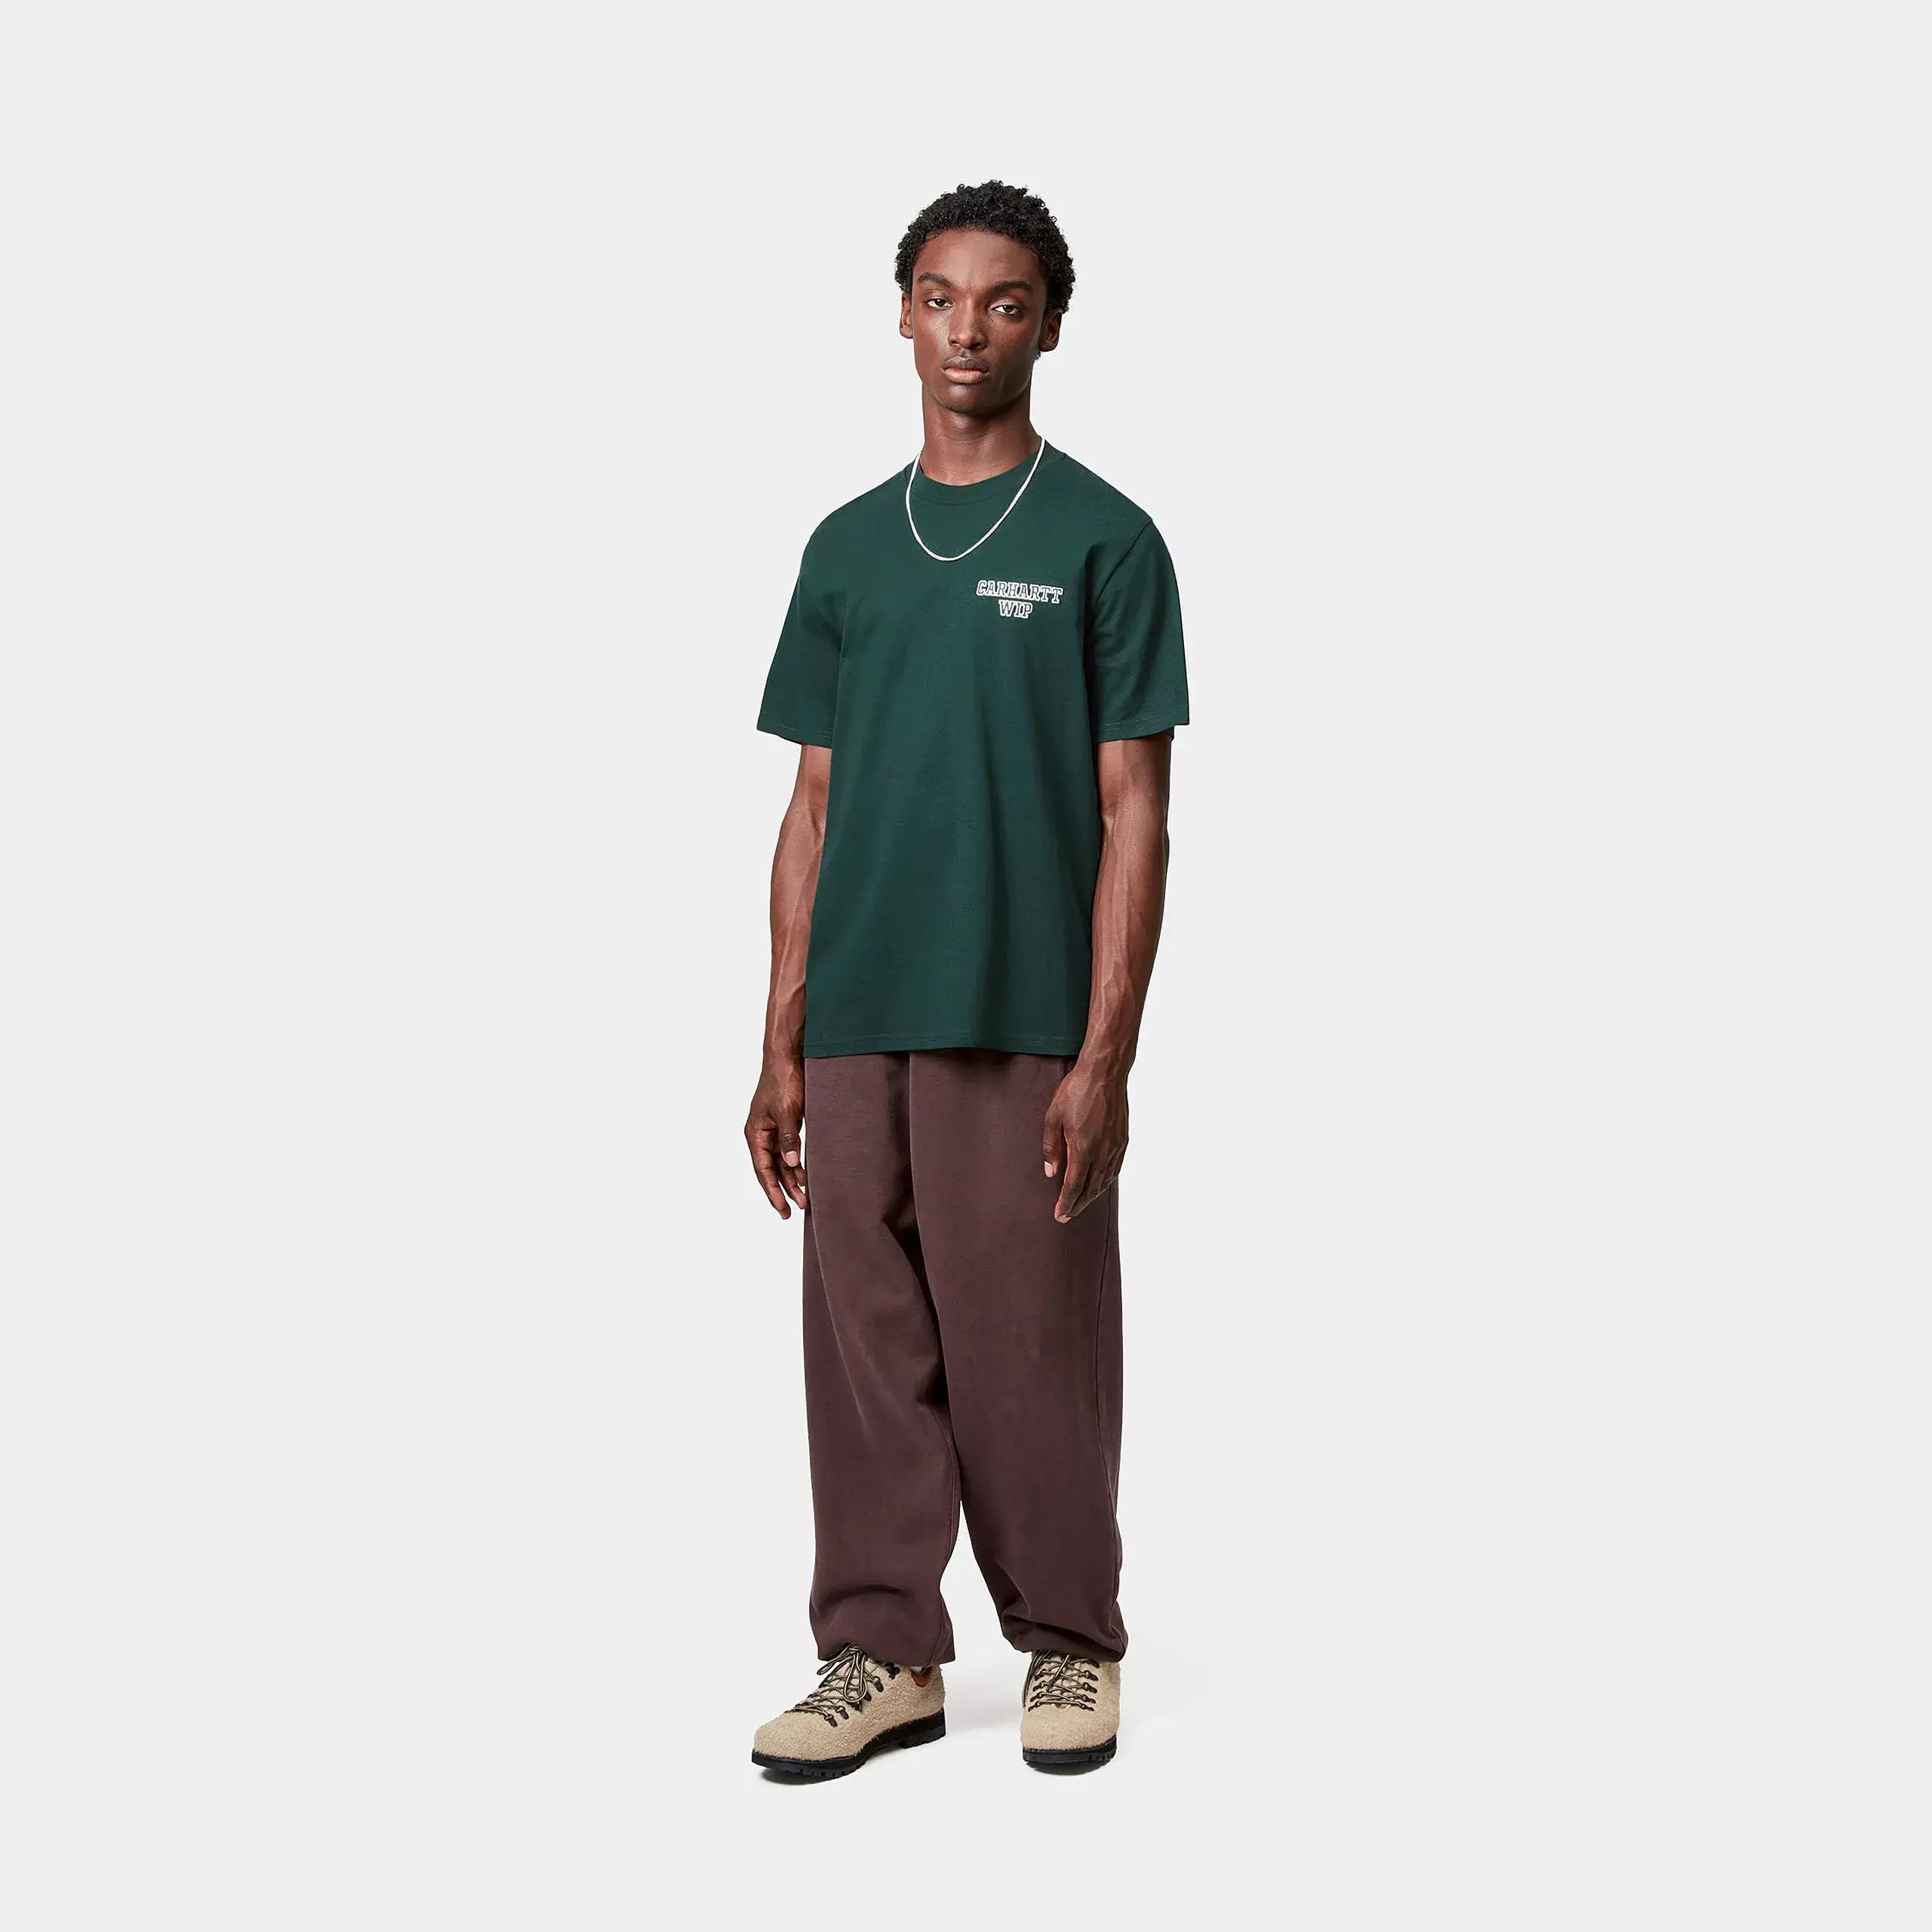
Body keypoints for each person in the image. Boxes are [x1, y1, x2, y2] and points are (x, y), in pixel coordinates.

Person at [743, 180, 1188, 1779]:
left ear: (1048, 327)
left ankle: (1069, 1638)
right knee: (864, 1350)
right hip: (858, 1013)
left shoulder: (1104, 540)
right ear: (902, 313)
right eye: (940, 297)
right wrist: (779, 1040)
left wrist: (1104, 1055)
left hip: (1019, 1012)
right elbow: (811, 804)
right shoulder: (846, 547)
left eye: (1004, 303)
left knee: (1028, 1340)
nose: (967, 332)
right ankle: (881, 1652)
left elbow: (1135, 812)